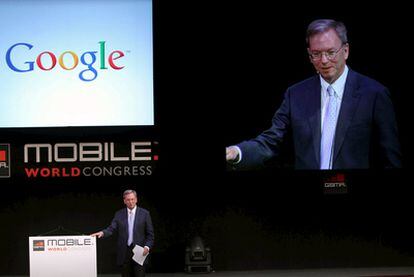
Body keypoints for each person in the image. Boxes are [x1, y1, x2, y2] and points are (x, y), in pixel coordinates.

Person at [226, 19, 402, 170]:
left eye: (330, 52)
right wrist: (235, 152)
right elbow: (271, 141)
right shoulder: (296, 94)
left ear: (346, 51)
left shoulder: (374, 94)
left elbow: (391, 159)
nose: (324, 60)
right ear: (309, 56)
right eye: (316, 54)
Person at [91, 190, 154, 277]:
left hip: (140, 251)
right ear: (124, 201)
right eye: (128, 200)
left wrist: (147, 247)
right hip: (124, 252)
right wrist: (102, 233)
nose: (131, 202)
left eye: (132, 199)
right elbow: (111, 228)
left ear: (136, 199)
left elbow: (150, 235)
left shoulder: (145, 214)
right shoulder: (119, 214)